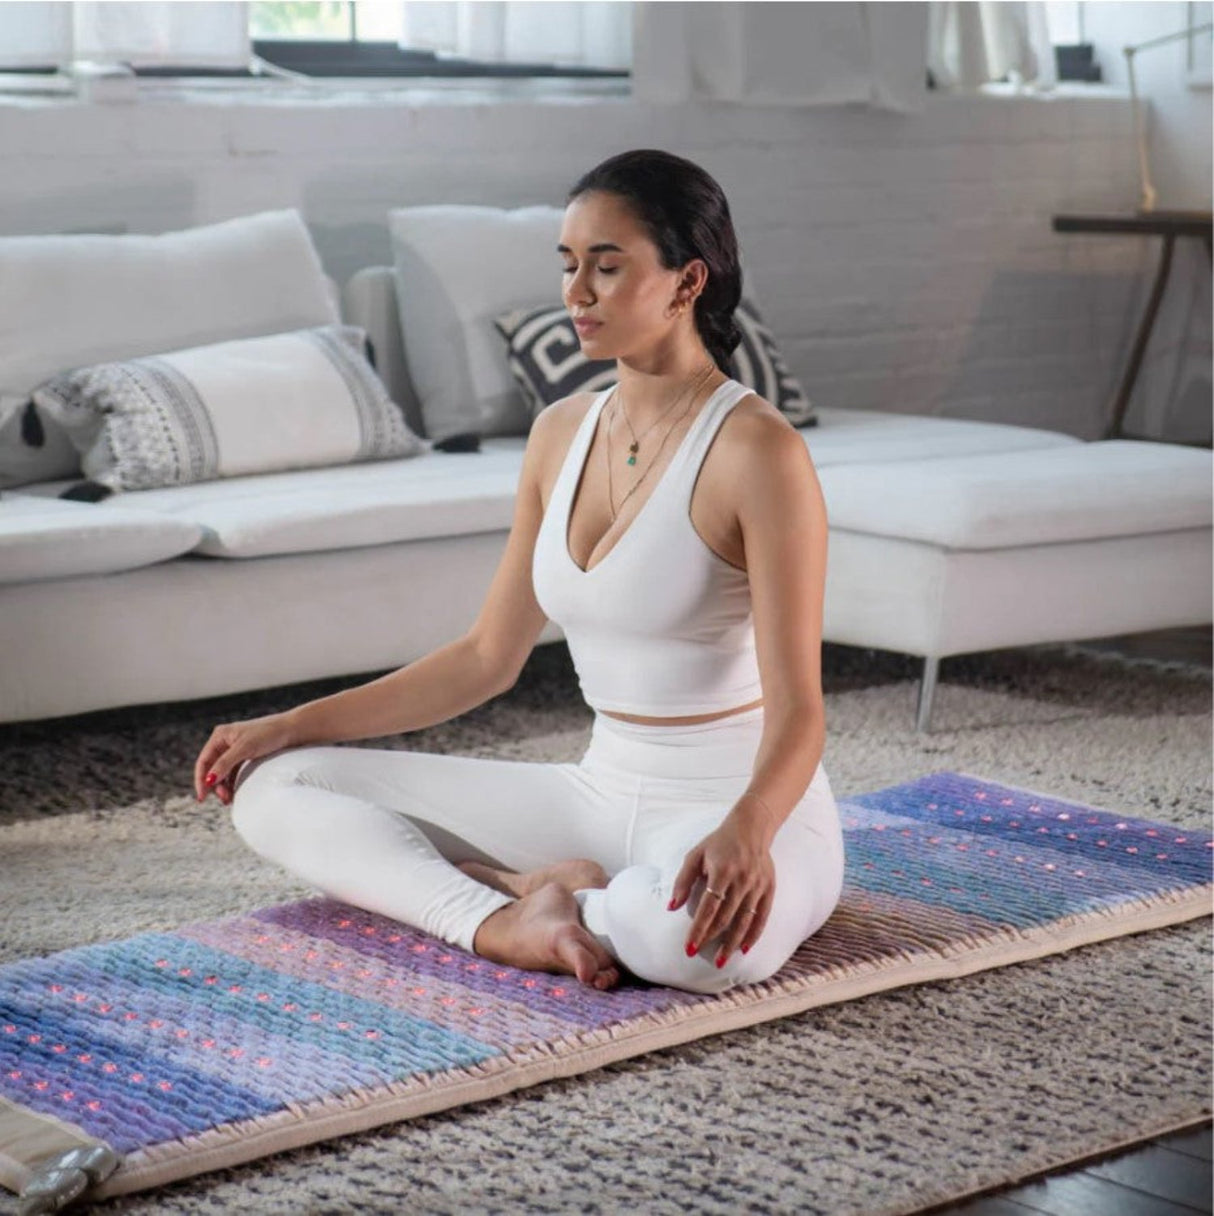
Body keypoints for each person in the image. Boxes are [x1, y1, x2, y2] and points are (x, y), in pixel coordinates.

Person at [193, 148, 843, 996]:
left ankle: (554, 896)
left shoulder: (758, 449)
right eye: (569, 266)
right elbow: (485, 658)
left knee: (689, 943)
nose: (576, 293)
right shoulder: (559, 433)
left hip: (738, 800)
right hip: (598, 790)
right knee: (278, 787)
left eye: (607, 268)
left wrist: (750, 831)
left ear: (688, 284)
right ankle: (504, 917)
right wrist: (291, 724)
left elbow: (801, 710)